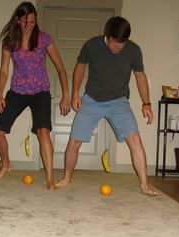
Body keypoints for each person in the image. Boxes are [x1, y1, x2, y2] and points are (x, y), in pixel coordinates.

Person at [56, 16, 157, 196]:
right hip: (92, 99)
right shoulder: (92, 45)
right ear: (107, 36)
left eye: (121, 45)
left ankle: (144, 184)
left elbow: (140, 76)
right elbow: (80, 67)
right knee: (74, 141)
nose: (117, 48)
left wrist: (146, 103)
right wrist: (75, 93)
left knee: (135, 140)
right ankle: (67, 177)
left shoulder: (134, 51)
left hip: (119, 101)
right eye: (113, 44)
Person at [0, 1, 70, 190]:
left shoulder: (44, 39)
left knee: (44, 131)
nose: (29, 26)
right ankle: (7, 164)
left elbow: (60, 67)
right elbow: (4, 70)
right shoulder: (10, 41)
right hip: (17, 91)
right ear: (18, 20)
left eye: (33, 22)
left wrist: (66, 94)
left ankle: (50, 178)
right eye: (26, 22)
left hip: (40, 92)